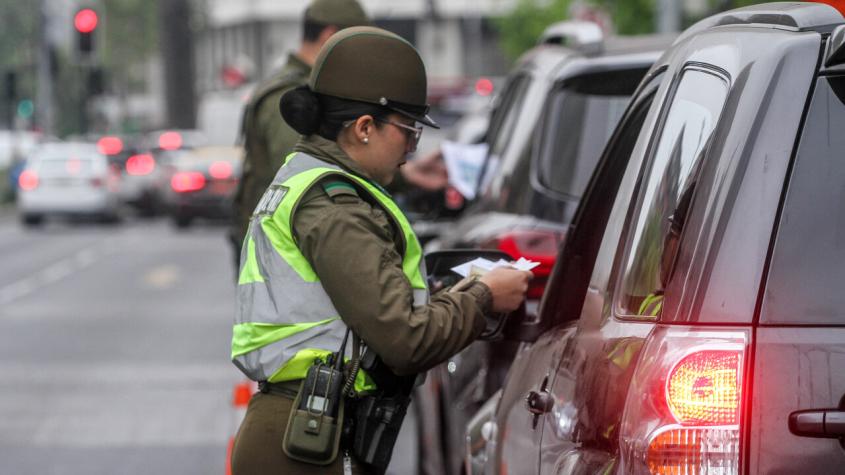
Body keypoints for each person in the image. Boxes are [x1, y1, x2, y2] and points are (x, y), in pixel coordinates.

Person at [229, 27, 533, 474]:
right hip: (307, 441)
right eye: (409, 131)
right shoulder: (335, 207)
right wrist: (484, 296)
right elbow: (406, 340)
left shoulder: (312, 182)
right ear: (364, 128)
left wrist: (453, 295)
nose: (411, 149)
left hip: (306, 427)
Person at [229, 0, 370, 270]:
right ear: (330, 37)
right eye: (360, 44)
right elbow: (303, 181)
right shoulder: (292, 97)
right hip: (285, 258)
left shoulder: (314, 89)